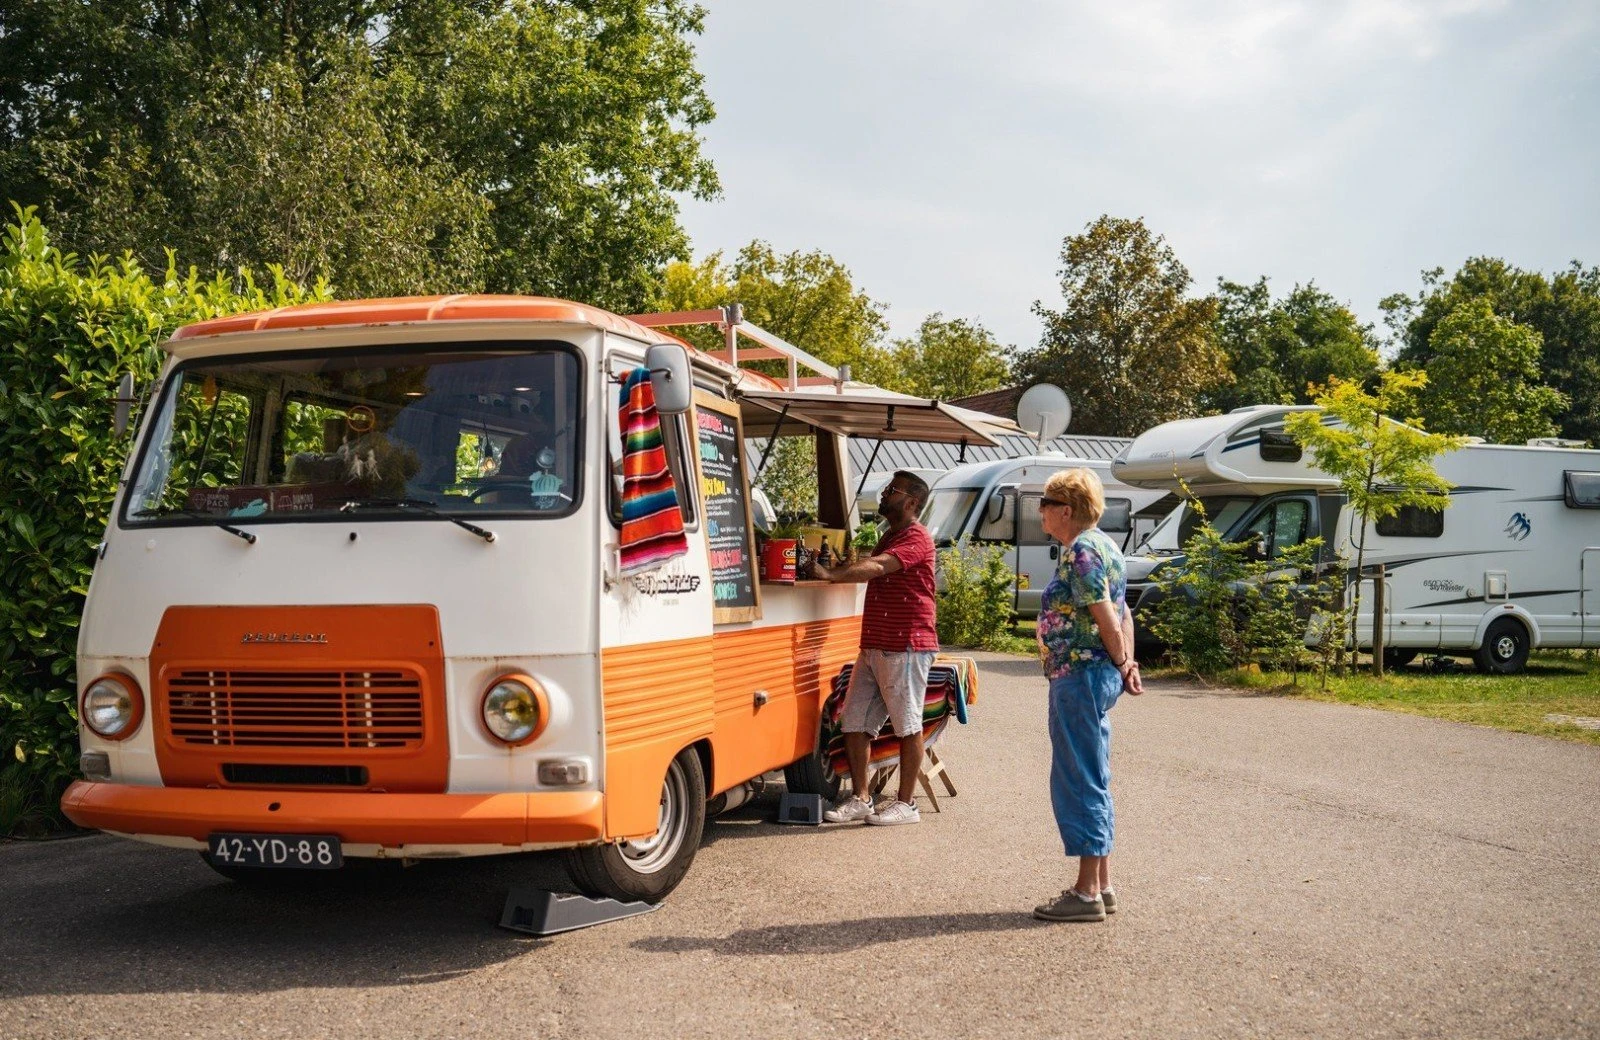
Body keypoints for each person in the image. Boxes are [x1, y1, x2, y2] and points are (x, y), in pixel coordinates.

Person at [1031, 467, 1143, 923]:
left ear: (1066, 509)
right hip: (1092, 673)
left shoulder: (1082, 550)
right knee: (1093, 771)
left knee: (1079, 777)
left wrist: (1122, 663)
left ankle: (1085, 894)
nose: (1039, 512)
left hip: (1080, 673)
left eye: (1044, 504)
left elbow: (1104, 613)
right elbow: (1125, 612)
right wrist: (1127, 663)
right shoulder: (1106, 546)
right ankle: (1103, 884)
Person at [813, 471, 938, 827]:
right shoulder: (891, 535)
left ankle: (906, 804)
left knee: (907, 725)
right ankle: (862, 799)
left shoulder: (916, 538)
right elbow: (874, 561)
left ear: (912, 502)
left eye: (892, 490)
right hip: (875, 646)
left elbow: (879, 567)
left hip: (906, 645)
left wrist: (833, 575)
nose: (884, 495)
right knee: (853, 721)